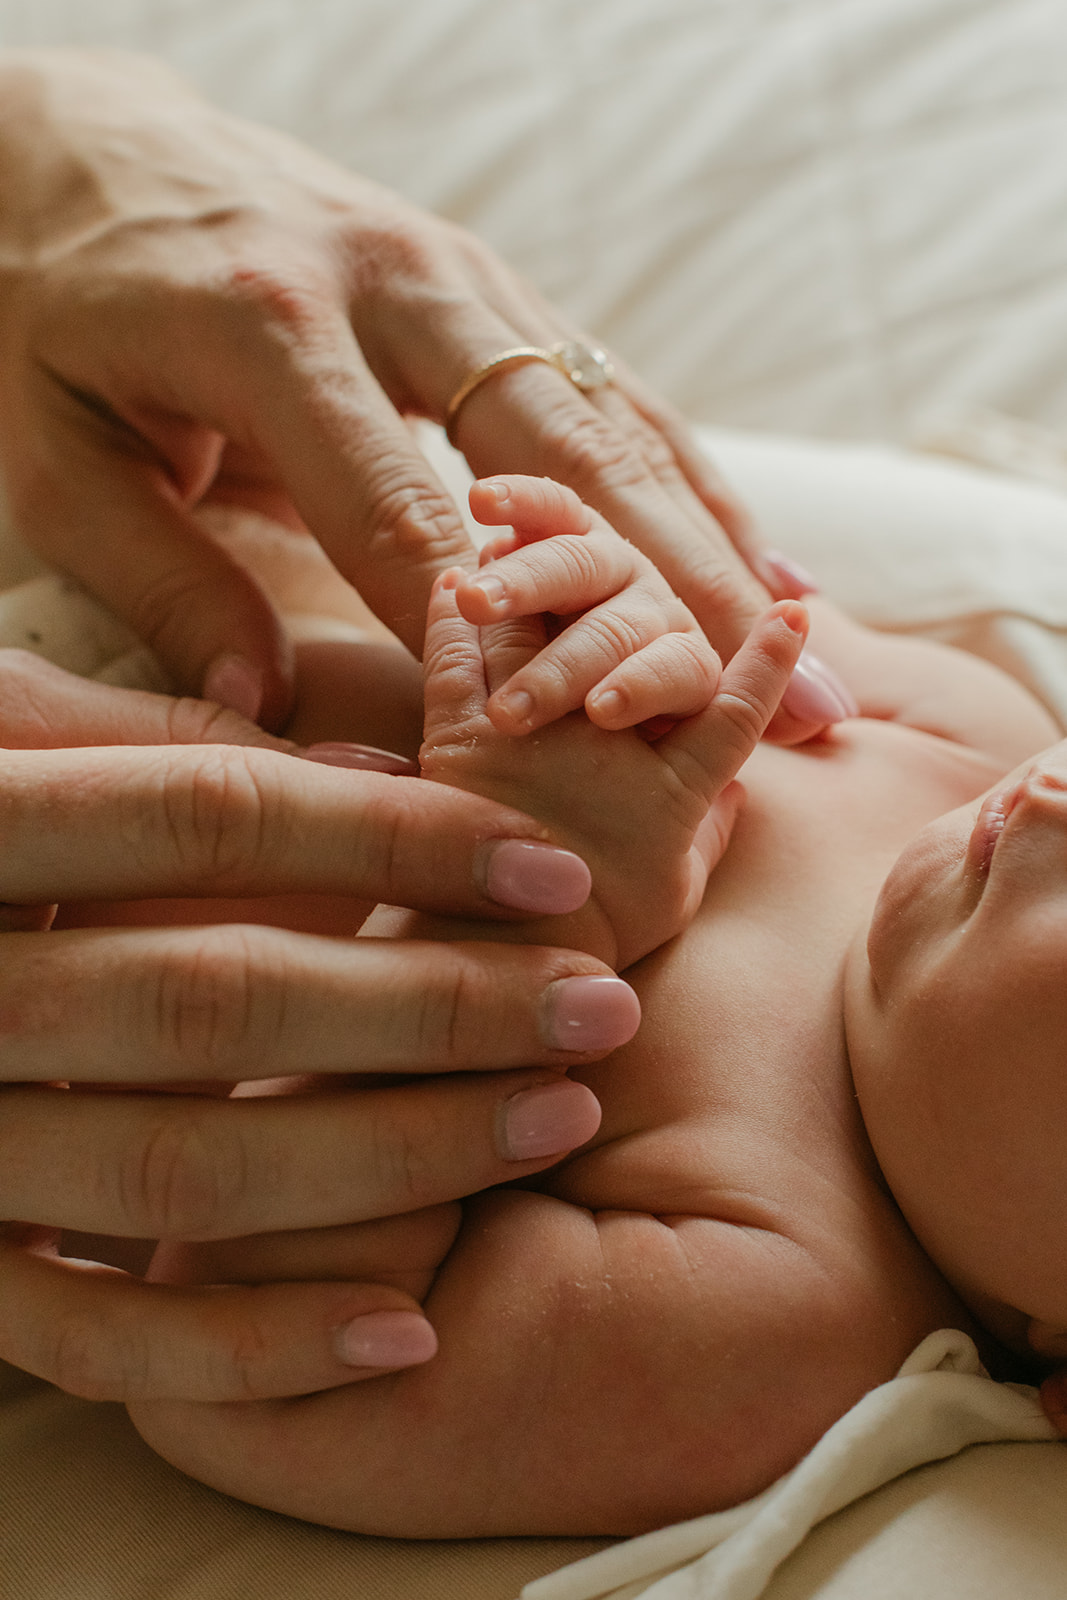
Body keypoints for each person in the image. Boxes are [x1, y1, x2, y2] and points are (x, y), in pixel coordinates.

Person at [0, 46, 859, 1408]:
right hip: (150, 525)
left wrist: (522, 912)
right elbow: (684, 601)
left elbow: (278, 1345)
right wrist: (574, 589)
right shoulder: (989, 740)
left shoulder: (787, 1287)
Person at [48, 472, 1060, 1539]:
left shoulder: (775, 1309)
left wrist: (519, 893)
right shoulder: (969, 738)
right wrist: (604, 602)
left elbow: (266, 1375)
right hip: (169, 573)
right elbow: (717, 601)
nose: (1053, 790)